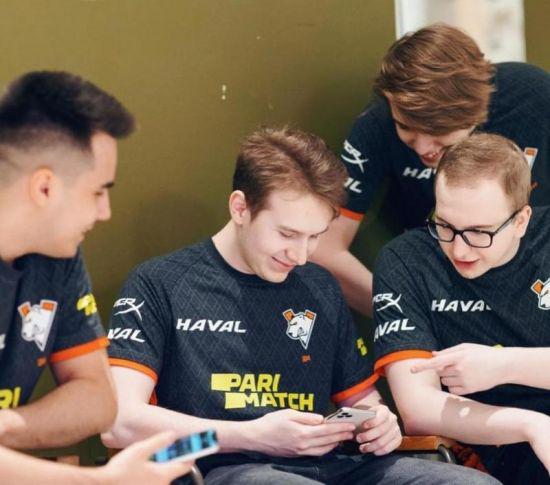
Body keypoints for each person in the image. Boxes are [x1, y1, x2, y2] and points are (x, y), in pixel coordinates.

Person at [102, 127, 498, 484]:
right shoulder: (160, 284)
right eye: (287, 234)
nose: (301, 255)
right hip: (220, 467)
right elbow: (118, 423)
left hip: (334, 465)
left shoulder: (319, 286)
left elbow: (362, 401)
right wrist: (248, 435)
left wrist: (381, 424)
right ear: (240, 208)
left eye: (315, 236)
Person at [0, 70, 193, 483]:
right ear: (45, 188)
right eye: (98, 191)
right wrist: (104, 482)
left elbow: (97, 399)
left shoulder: (58, 254)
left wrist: (5, 426)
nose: (105, 212)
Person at [311, 23, 550, 317]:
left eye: (437, 130)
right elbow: (323, 248)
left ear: (476, 110)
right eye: (405, 126)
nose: (423, 148)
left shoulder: (535, 99)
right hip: (435, 286)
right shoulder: (376, 123)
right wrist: (407, 313)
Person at [372, 132, 550, 484]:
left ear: (521, 221)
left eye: (479, 232)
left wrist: (502, 365)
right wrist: (533, 426)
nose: (460, 249)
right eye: (445, 226)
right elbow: (418, 408)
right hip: (494, 441)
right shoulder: (407, 261)